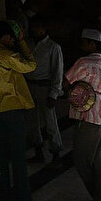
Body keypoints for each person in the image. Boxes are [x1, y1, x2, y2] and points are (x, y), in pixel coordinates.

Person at [0, 20, 44, 201]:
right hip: (13, 111)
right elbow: (31, 65)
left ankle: (2, 199)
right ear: (7, 38)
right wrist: (22, 43)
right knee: (18, 160)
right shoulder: (6, 55)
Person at [65, 29, 101, 201]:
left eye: (85, 42)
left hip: (88, 116)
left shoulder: (84, 62)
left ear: (93, 44)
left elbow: (66, 80)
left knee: (81, 158)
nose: (81, 45)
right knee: (97, 159)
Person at [25, 15, 64, 162]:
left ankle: (55, 153)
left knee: (50, 122)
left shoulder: (53, 47)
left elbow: (58, 72)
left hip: (45, 87)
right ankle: (38, 151)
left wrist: (54, 93)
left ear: (44, 28)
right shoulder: (28, 44)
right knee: (32, 122)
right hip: (30, 85)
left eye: (37, 27)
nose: (34, 30)